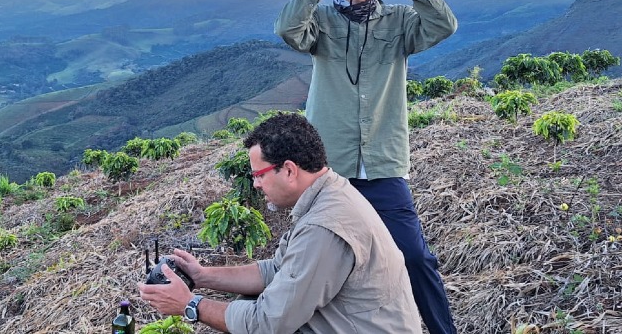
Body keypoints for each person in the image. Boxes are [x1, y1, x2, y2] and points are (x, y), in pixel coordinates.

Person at [275, 0, 458, 334]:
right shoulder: (320, 22)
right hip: (328, 168)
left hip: (383, 164)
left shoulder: (400, 21)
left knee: (414, 257)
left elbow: (444, 24)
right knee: (310, 264)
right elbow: (287, 29)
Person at [139, 112, 423, 333]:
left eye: (259, 174)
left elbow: (268, 324)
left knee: (247, 316)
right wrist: (202, 276)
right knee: (244, 307)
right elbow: (277, 270)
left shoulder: (324, 227)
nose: (256, 184)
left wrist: (191, 305)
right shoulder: (329, 193)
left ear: (288, 170)